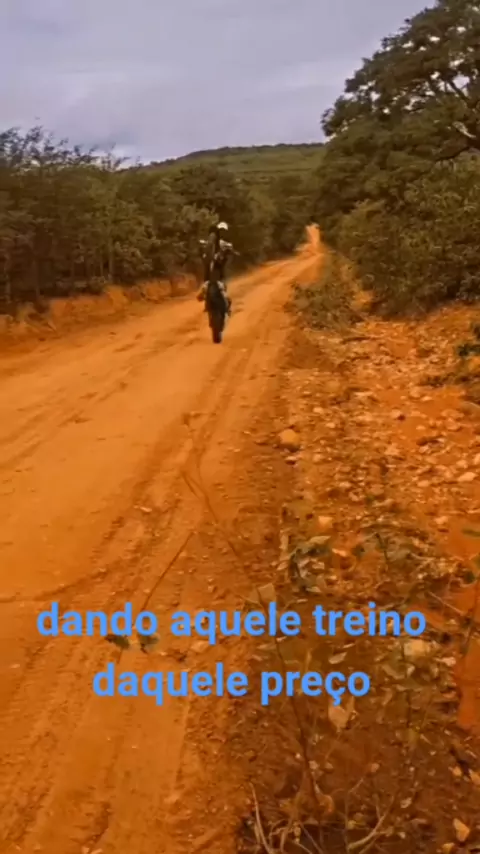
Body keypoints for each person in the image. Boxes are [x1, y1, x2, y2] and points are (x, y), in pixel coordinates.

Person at [197, 221, 235, 315]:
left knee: (222, 277)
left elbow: (230, 250)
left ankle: (224, 299)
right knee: (208, 274)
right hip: (212, 262)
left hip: (219, 263)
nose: (222, 232)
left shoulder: (225, 242)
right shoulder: (213, 240)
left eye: (223, 230)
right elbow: (206, 246)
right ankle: (205, 291)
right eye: (220, 230)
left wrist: (229, 251)